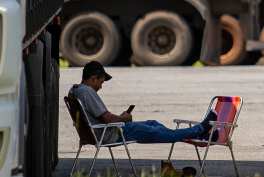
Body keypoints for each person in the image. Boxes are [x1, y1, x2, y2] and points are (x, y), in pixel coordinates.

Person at [68, 60, 217, 144]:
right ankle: (199, 130)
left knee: (153, 123)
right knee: (155, 131)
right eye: (100, 82)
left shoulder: (75, 91)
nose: (100, 87)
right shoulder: (87, 92)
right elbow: (107, 118)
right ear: (94, 78)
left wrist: (120, 118)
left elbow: (101, 117)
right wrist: (124, 118)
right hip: (111, 134)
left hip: (106, 130)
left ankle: (198, 137)